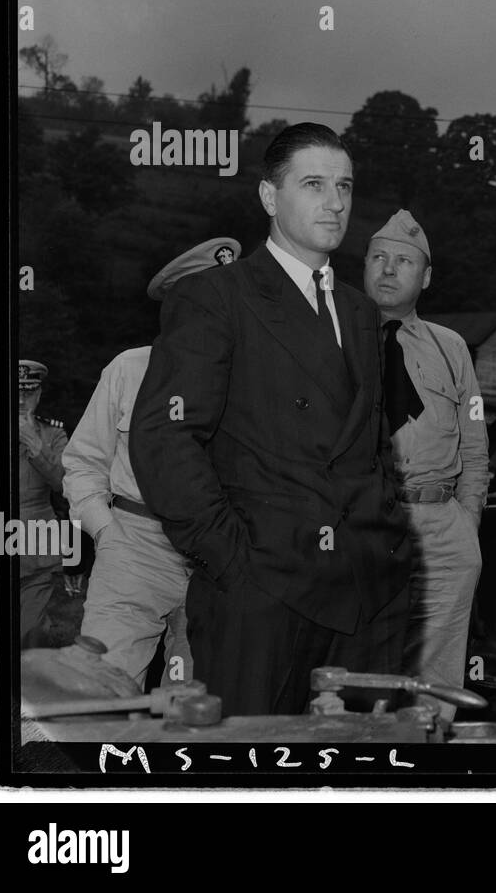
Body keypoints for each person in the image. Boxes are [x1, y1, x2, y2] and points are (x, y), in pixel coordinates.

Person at [130, 123, 413, 716]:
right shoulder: (217, 297)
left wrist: (387, 534)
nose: (335, 202)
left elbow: (371, 442)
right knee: (252, 770)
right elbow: (166, 438)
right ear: (268, 197)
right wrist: (233, 563)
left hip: (366, 591)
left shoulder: (362, 313)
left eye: (345, 186)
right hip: (263, 594)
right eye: (313, 184)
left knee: (360, 772)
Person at [61, 237, 241, 689]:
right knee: (102, 695)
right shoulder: (130, 368)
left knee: (199, 709)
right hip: (136, 547)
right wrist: (105, 529)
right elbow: (83, 462)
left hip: (221, 557)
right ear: (176, 304)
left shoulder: (256, 378)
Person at [363, 209, 488, 724]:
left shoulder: (451, 346)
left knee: (436, 687)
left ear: (426, 277)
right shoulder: (330, 337)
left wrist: (468, 522)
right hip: (364, 526)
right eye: (379, 258)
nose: (389, 270)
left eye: (405, 261)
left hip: (442, 525)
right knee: (365, 668)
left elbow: (476, 445)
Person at [16, 359, 68, 647]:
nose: (22, 399)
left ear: (39, 394)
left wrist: (34, 443)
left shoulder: (54, 434)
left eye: (30, 391)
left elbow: (63, 484)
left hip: (35, 545)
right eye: (16, 391)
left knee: (31, 633)